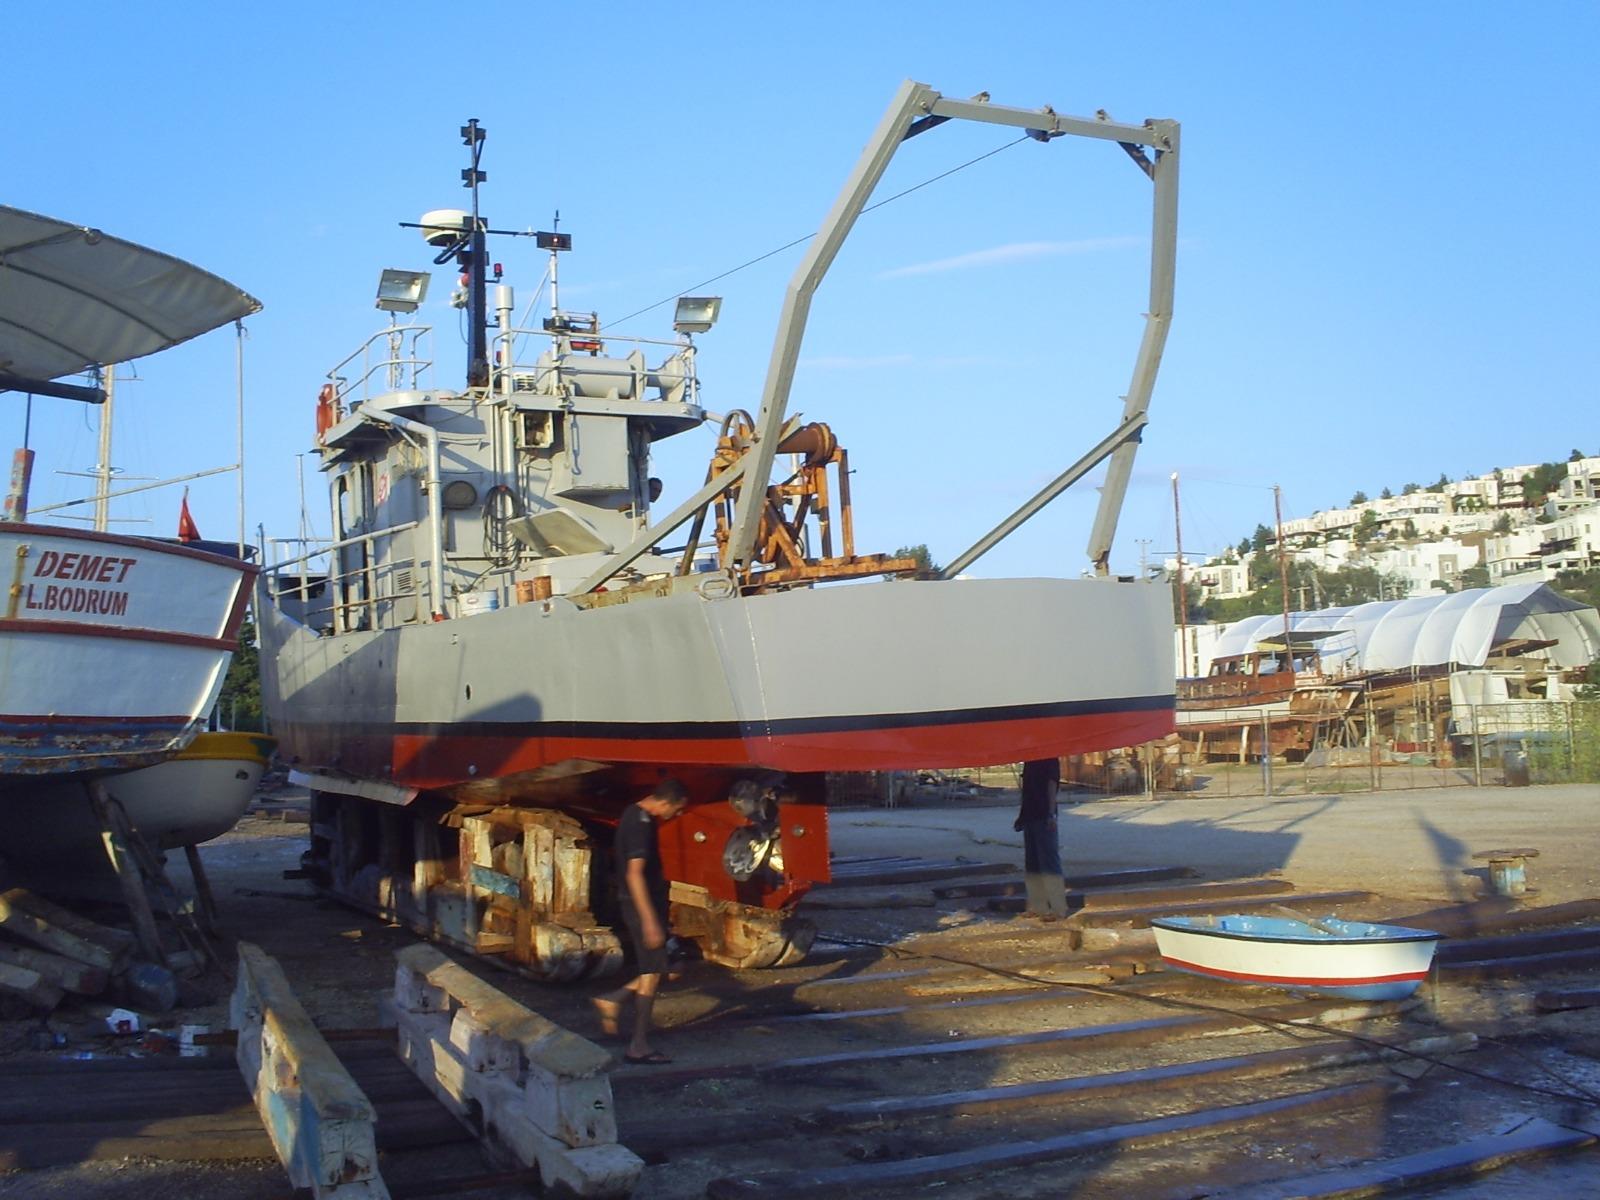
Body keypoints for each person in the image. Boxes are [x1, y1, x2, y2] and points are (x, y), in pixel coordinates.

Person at [592, 778, 688, 1063]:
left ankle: (614, 998)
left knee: (673, 966)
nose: (678, 814)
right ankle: (638, 1046)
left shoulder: (633, 813)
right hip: (641, 909)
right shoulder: (641, 825)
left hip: (646, 907)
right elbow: (634, 874)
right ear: (666, 803)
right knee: (651, 974)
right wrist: (649, 921)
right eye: (678, 809)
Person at [1014, 758, 1067, 920]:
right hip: (1030, 814)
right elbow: (1027, 790)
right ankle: (1038, 906)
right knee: (1033, 863)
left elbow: (1052, 784)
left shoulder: (1049, 757)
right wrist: (1022, 816)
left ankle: (1058, 909)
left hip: (1043, 815)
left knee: (1048, 862)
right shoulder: (1030, 759)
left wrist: (1051, 814)